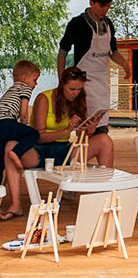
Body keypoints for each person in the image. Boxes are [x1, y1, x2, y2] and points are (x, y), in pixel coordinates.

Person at [1, 66, 106, 221]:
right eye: (72, 89)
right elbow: (38, 137)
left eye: (79, 89)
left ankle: (105, 199)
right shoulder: (44, 98)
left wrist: (89, 131)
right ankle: (16, 205)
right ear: (62, 84)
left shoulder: (78, 100)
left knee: (104, 141)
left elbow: (79, 139)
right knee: (11, 146)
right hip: (40, 150)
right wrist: (67, 130)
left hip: (64, 151)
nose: (75, 93)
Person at [57, 0, 131, 163]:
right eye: (102, 6)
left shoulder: (108, 24)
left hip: (102, 85)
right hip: (82, 85)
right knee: (85, 132)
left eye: (108, 6)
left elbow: (113, 52)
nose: (105, 10)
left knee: (102, 129)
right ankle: (78, 170)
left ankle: (98, 173)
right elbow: (63, 52)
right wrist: (62, 81)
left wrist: (124, 63)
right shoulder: (77, 23)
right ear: (91, 2)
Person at [0, 60, 41, 218]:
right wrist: (24, 124)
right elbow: (23, 113)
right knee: (33, 134)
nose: (36, 84)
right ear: (24, 78)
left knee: (1, 165)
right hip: (7, 122)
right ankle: (16, 153)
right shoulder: (24, 88)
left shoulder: (10, 89)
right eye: (35, 80)